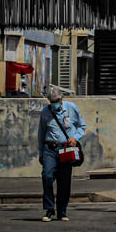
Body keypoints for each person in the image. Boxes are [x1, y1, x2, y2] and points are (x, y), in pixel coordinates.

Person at [37, 87, 86, 223]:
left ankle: (62, 211)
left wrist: (75, 137)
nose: (54, 103)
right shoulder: (45, 112)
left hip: (66, 149)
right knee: (47, 176)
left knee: (64, 182)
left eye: (56, 101)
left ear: (61, 99)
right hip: (50, 149)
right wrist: (41, 152)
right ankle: (49, 208)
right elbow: (41, 133)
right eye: (52, 101)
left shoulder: (72, 108)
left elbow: (82, 126)